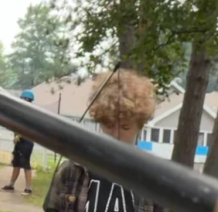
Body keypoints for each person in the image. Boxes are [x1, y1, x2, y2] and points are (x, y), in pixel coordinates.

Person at [42, 70, 160, 212]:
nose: (115, 135)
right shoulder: (72, 171)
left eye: (125, 127)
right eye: (109, 125)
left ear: (139, 126)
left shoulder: (154, 179)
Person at [1, 90, 37, 195]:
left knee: (25, 164)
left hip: (27, 142)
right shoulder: (20, 112)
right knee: (16, 163)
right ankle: (11, 185)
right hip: (19, 141)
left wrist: (19, 135)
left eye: (24, 99)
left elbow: (29, 128)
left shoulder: (30, 113)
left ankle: (28, 188)